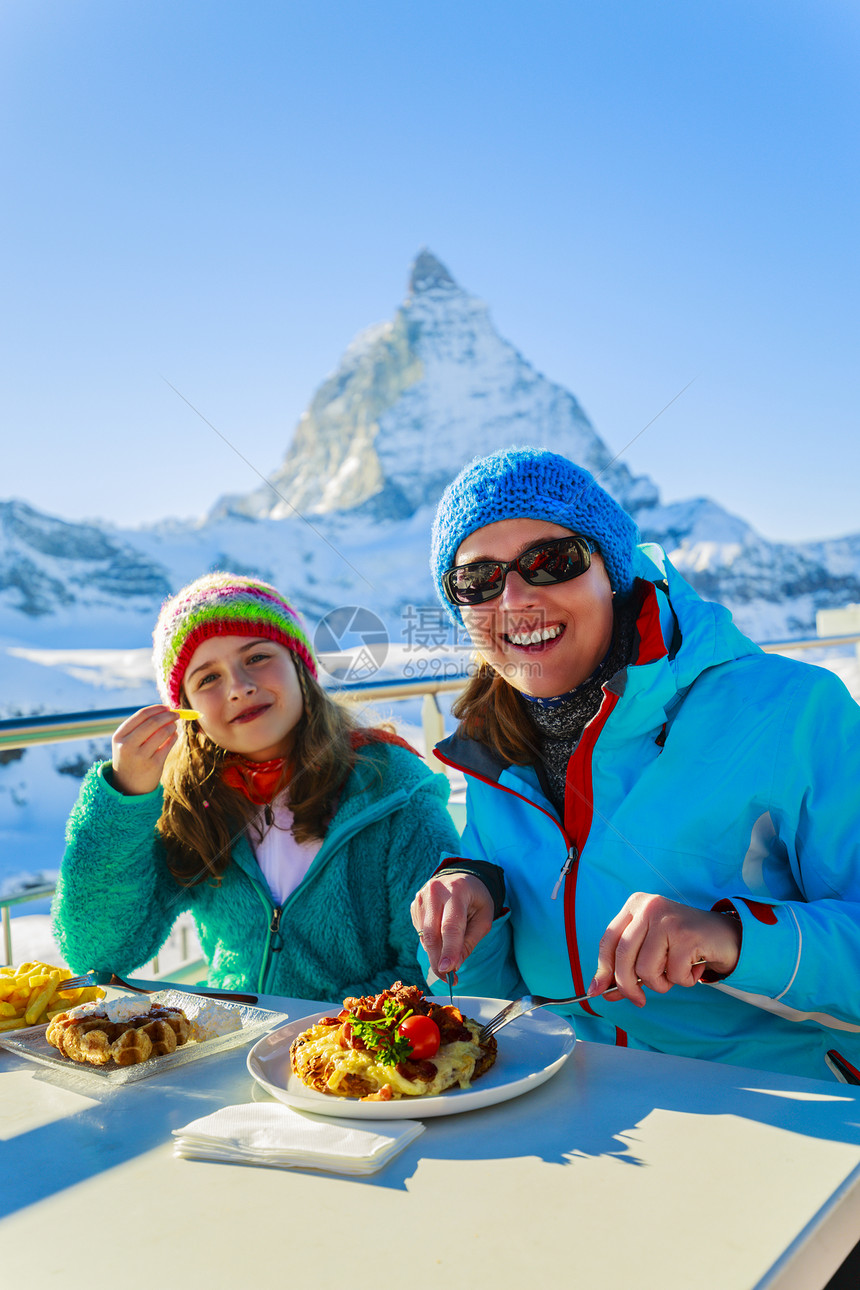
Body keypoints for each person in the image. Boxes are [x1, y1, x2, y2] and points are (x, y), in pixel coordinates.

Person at [411, 446, 860, 1082]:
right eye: (478, 580)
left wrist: (732, 939)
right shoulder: (493, 746)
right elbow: (504, 1006)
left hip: (783, 1118)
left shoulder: (795, 712)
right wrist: (477, 906)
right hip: (578, 1116)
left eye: (550, 561)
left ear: (612, 574)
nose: (513, 600)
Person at [53, 573, 460, 999]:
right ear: (187, 711)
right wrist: (124, 800)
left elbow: (434, 964)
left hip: (360, 1051)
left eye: (258, 657)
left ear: (300, 668)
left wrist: (315, 1035)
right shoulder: (195, 802)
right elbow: (98, 952)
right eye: (207, 679)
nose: (239, 687)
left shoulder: (392, 787)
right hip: (236, 1046)